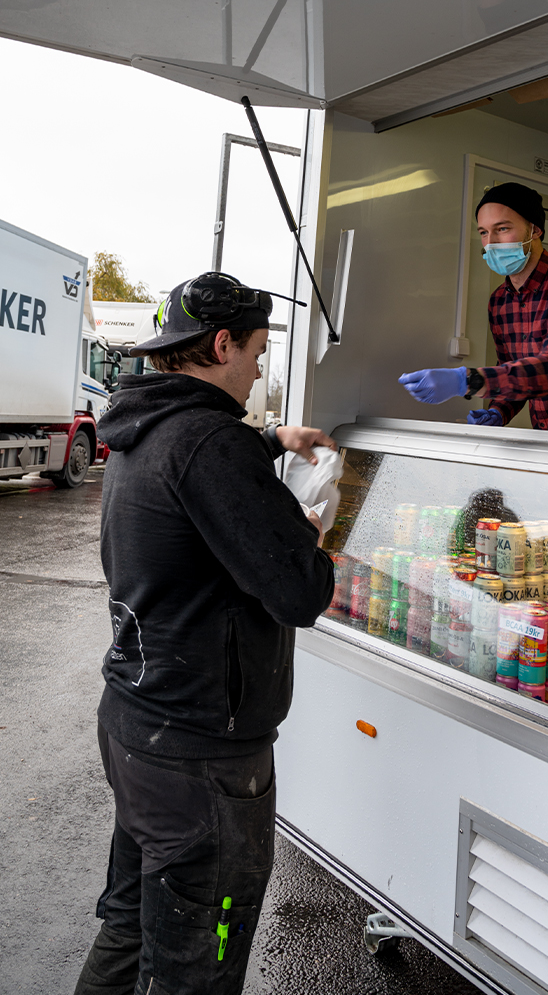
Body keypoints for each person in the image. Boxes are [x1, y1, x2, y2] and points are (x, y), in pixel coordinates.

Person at [74, 272, 335, 995]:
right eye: (255, 351)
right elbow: (298, 591)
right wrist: (306, 538)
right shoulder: (208, 443)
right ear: (221, 344)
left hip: (138, 723)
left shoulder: (144, 424)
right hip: (201, 757)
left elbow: (199, 466)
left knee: (131, 923)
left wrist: (273, 440)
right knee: (198, 960)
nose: (259, 368)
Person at [399, 181, 548, 429]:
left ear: (534, 230)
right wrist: (498, 411)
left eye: (502, 229)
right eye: (483, 232)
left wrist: (468, 380)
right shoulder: (500, 301)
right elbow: (516, 375)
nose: (491, 242)